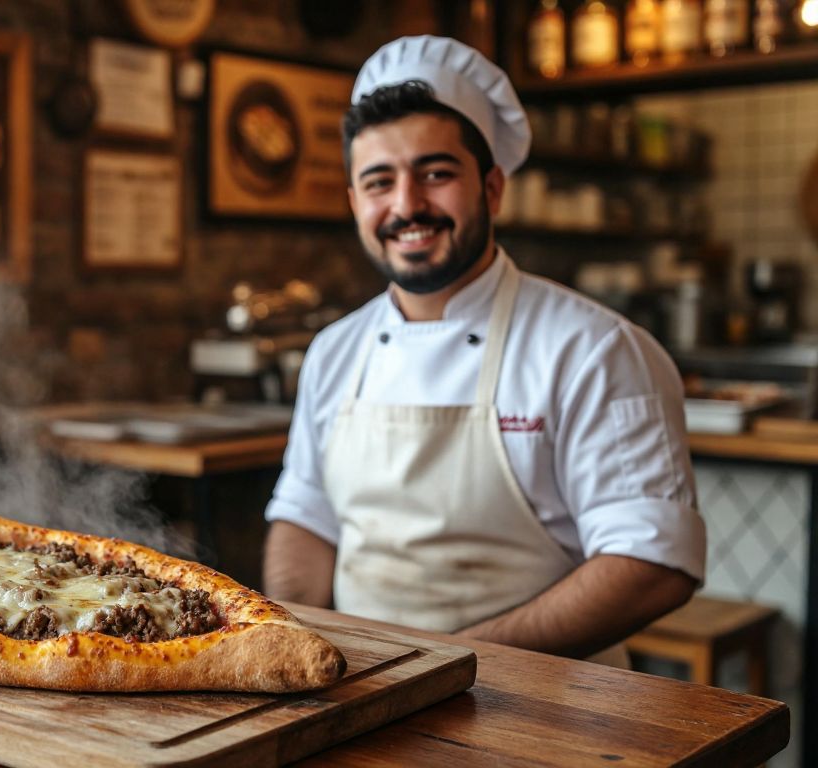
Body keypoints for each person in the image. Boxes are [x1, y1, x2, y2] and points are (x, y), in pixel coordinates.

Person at [261, 36, 703, 667]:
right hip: (358, 696)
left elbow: (654, 563)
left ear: (492, 189)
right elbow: (305, 518)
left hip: (547, 719)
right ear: (356, 203)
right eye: (379, 181)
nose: (407, 205)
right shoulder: (334, 352)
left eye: (436, 174)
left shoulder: (594, 349)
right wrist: (302, 647)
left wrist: (443, 666)